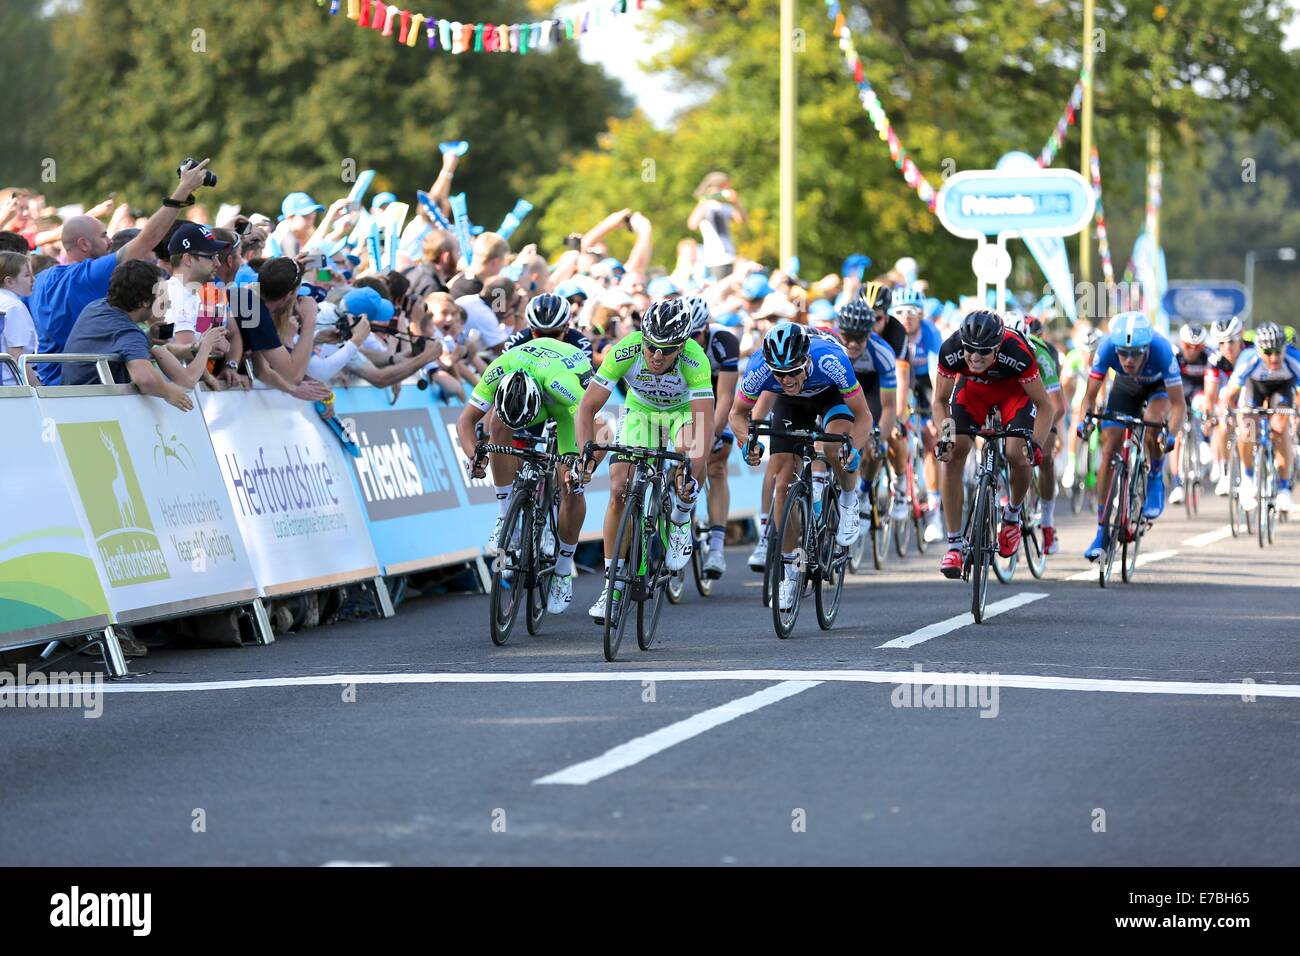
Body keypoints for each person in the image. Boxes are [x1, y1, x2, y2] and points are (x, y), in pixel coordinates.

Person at [575, 298, 714, 625]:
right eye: (650, 345)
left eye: (665, 350)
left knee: (687, 448)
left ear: (681, 346)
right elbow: (586, 408)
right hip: (641, 413)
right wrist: (584, 453)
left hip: (682, 414)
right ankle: (611, 586)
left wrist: (689, 474)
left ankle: (680, 518)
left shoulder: (696, 360)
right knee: (619, 487)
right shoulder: (626, 349)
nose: (656, 355)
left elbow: (703, 430)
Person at [29, 158, 218, 384]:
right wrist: (183, 190)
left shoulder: (41, 279)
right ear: (83, 244)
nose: (111, 241)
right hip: (82, 390)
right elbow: (148, 239)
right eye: (104, 235)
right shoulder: (89, 275)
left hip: (48, 389)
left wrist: (149, 338)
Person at [729, 321, 875, 612]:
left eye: (793, 371)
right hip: (792, 407)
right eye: (779, 374)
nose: (786, 379)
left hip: (830, 396)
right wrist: (747, 442)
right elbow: (737, 414)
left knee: (835, 447)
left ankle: (848, 499)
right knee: (783, 482)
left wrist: (854, 450)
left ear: (806, 361)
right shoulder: (760, 368)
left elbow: (864, 416)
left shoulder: (831, 360)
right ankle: (790, 574)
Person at [457, 338, 594, 615]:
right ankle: (505, 514)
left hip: (563, 399)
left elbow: (594, 427)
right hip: (526, 378)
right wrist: (475, 457)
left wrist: (583, 467)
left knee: (571, 485)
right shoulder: (498, 370)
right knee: (497, 425)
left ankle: (564, 570)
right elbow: (465, 421)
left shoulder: (563, 387)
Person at [933, 310, 1055, 578]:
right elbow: (940, 401)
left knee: (1018, 454)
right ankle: (954, 545)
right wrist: (945, 435)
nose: (975, 357)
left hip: (1014, 396)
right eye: (970, 351)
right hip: (972, 394)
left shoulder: (1019, 351)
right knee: (953, 453)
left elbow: (1046, 406)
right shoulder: (951, 349)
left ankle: (1011, 516)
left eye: (984, 352)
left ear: (998, 347)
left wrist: (1036, 442)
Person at [1075, 311, 1185, 560]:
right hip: (1125, 390)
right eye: (1123, 353)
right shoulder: (1106, 349)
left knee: (1153, 423)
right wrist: (1086, 422)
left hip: (1158, 389)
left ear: (1147, 348)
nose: (1128, 359)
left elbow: (1179, 405)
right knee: (1109, 447)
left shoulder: (1162, 350)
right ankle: (1102, 531)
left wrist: (1171, 436)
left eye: (1135, 353)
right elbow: (1090, 398)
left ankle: (1155, 474)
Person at [60, 260, 226, 406]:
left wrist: (148, 339)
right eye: (162, 298)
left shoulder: (97, 307)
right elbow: (148, 380)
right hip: (92, 409)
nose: (167, 304)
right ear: (145, 302)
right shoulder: (128, 333)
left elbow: (117, 345)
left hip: (74, 403)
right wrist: (169, 392)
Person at [684, 295, 740, 577]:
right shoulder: (675, 344)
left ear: (706, 329)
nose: (691, 341)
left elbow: (727, 396)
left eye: (696, 335)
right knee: (677, 461)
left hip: (717, 399)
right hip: (684, 398)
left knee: (716, 466)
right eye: (687, 336)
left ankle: (716, 546)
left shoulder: (724, 342)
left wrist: (714, 434)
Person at [1220, 322, 1299, 512]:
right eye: (1268, 352)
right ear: (1258, 350)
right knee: (1247, 428)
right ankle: (1247, 478)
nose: (1273, 358)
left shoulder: (1293, 359)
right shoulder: (1248, 359)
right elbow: (1230, 396)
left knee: (1280, 429)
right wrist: (1230, 417)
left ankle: (1283, 489)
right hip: (1254, 389)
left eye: (1278, 352)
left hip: (1282, 389)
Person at [1168, 323, 1212, 505]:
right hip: (1178, 394)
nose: (1192, 351)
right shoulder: (1173, 356)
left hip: (1198, 394)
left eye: (1197, 347)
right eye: (1188, 346)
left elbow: (1213, 386)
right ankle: (1177, 484)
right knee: (1177, 434)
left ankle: (1204, 444)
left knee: (1202, 404)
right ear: (1181, 343)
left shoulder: (1209, 356)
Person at [1203, 315, 1246, 495]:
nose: (1226, 347)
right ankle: (1225, 472)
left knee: (1248, 422)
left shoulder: (1250, 351)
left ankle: (1250, 470)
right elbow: (1210, 393)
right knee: (1221, 422)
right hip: (1227, 391)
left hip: (1248, 388)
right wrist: (1209, 416)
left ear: (1240, 337)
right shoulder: (1216, 358)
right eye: (1221, 343)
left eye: (1230, 341)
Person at [687, 172, 746, 281]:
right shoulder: (704, 207)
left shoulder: (724, 207)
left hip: (730, 256)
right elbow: (692, 224)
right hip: (715, 258)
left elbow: (742, 219)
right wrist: (705, 199)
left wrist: (736, 202)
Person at [0, 252, 38, 385]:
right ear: (9, 281)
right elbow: (17, 356)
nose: (33, 280)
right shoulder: (14, 306)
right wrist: (38, 389)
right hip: (13, 385)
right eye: (27, 275)